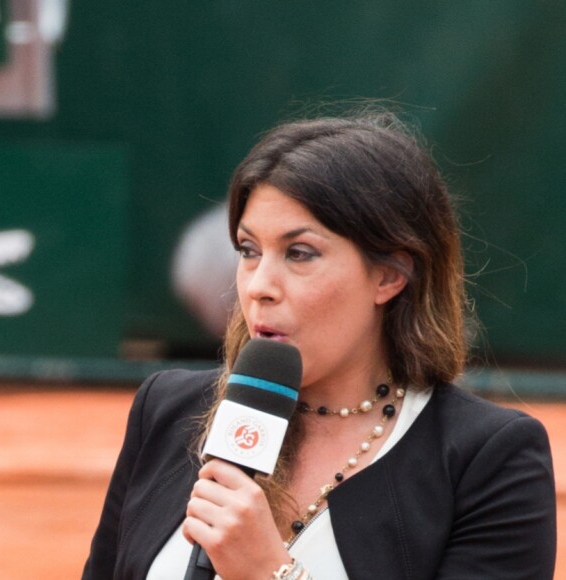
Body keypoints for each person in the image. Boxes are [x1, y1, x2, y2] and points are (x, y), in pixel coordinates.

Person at [83, 113, 556, 579]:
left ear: (390, 274)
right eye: (249, 250)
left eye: (299, 253)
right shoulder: (165, 410)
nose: (259, 286)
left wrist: (271, 573)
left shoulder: (489, 460)